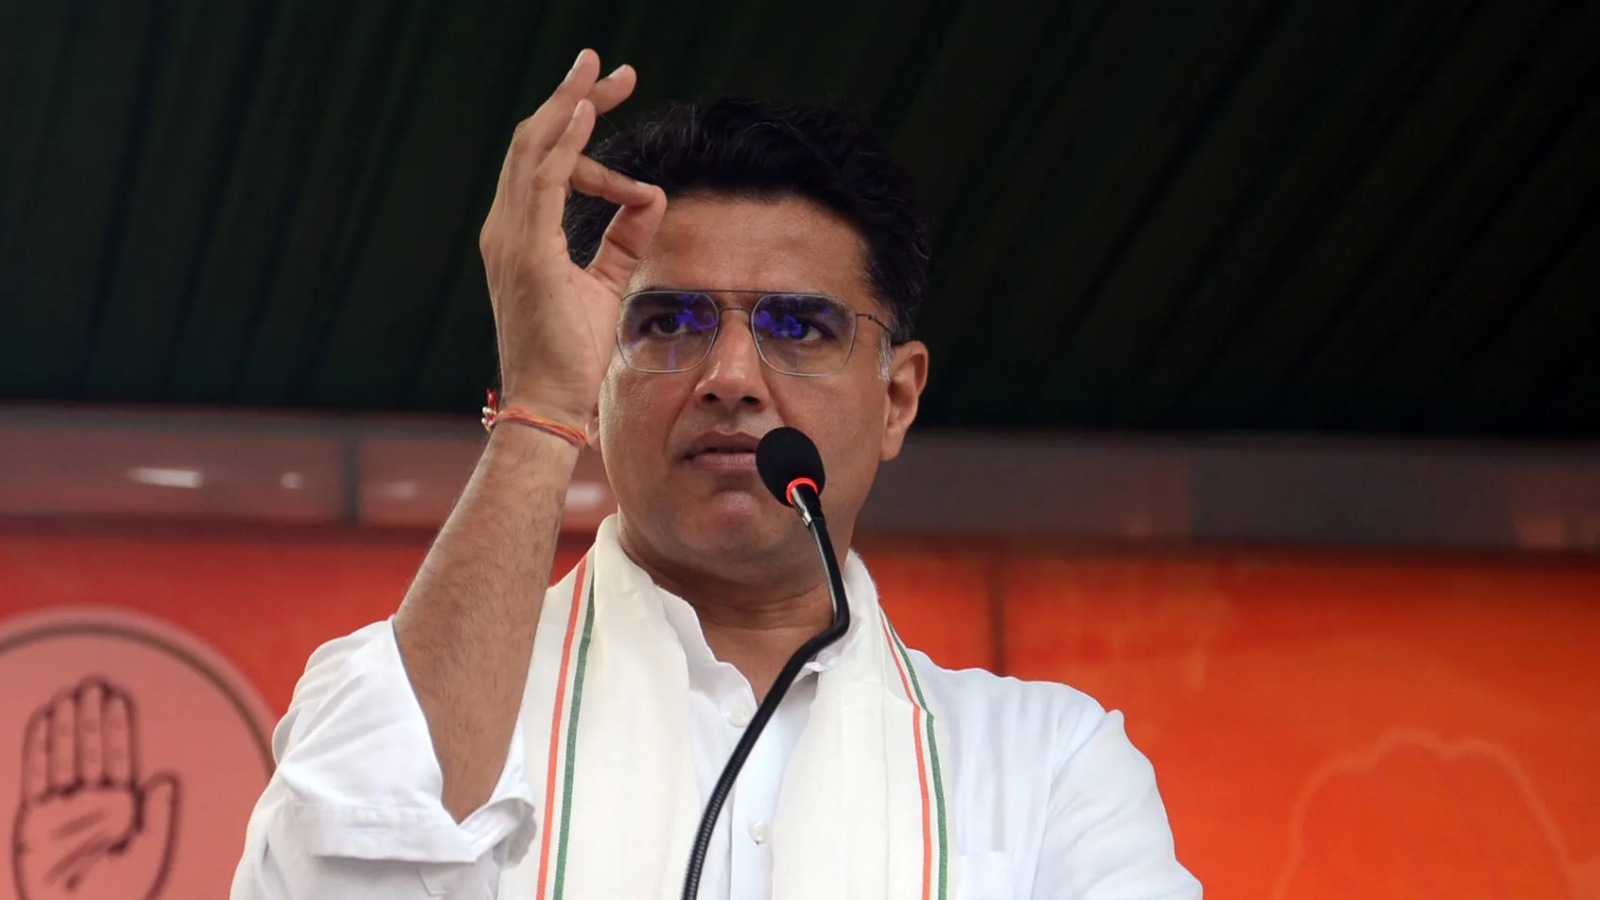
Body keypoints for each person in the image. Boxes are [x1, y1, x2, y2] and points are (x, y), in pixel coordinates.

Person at [231, 49, 1201, 899]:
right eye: (668, 322)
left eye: (799, 326)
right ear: (598, 380)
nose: (731, 376)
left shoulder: (1044, 765)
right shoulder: (397, 692)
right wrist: (538, 407)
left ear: (897, 399)